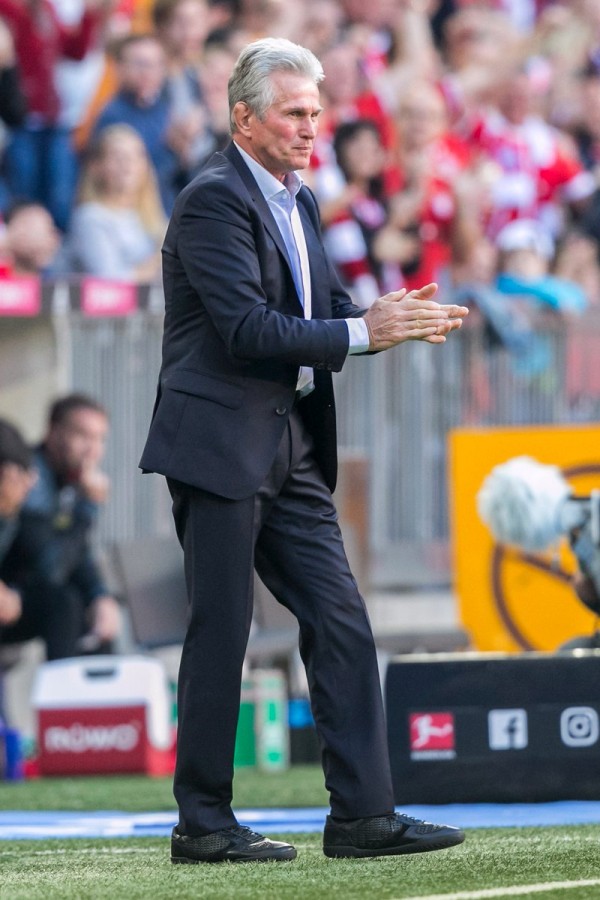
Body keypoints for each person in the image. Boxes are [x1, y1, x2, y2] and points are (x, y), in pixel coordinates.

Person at [139, 37, 468, 864]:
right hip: (218, 444)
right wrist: (361, 332)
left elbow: (321, 306)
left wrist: (387, 315)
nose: (310, 128)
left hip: (289, 442)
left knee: (341, 617)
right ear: (243, 118)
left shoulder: (302, 199)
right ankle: (203, 825)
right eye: (293, 113)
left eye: (316, 113)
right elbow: (248, 329)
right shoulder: (211, 201)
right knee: (222, 631)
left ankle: (362, 817)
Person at [0, 394, 122, 659]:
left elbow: (77, 553)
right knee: (64, 603)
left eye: (100, 439)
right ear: (54, 432)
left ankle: (100, 685)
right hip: (10, 599)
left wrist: (100, 595)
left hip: (20, 597)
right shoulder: (27, 476)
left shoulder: (70, 480)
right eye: (83, 436)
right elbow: (50, 567)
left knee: (95, 610)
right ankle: (64, 687)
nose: (92, 450)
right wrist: (88, 509)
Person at [64, 124, 166, 282]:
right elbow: (110, 282)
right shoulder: (89, 218)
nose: (127, 164)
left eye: (136, 156)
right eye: (117, 156)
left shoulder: (155, 218)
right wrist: (159, 261)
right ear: (96, 166)